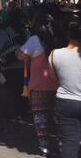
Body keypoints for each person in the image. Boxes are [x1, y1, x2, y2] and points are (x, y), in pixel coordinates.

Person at [18, 12, 59, 155]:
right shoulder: (57, 39)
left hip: (38, 85)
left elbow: (21, 54)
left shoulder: (35, 40)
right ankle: (61, 143)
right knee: (55, 116)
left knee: (40, 117)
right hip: (57, 85)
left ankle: (44, 146)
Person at [48, 15, 81, 158]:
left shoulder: (55, 55)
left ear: (67, 33)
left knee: (69, 143)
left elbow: (56, 79)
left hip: (65, 101)